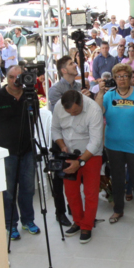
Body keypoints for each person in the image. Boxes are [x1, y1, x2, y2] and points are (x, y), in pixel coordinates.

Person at [0, 66, 42, 240]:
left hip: (27, 150)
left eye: (19, 77)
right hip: (6, 152)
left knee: (28, 188)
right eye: (11, 77)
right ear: (6, 78)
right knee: (8, 191)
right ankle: (10, 224)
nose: (15, 80)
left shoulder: (30, 95)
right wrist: (1, 135)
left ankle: (28, 221)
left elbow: (34, 119)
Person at [102, 63, 134, 226]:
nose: (122, 79)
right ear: (114, 78)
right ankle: (118, 209)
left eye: (125, 76)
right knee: (117, 179)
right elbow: (98, 116)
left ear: (131, 77)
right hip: (113, 144)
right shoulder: (108, 96)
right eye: (118, 76)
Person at [51, 89, 105, 244]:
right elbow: (55, 129)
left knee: (90, 192)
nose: (72, 114)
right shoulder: (58, 107)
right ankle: (78, 220)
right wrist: (62, 146)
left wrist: (80, 162)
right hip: (69, 155)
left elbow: (96, 141)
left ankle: (87, 225)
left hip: (91, 154)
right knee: (71, 192)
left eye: (75, 111)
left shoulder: (93, 109)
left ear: (82, 102)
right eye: (69, 112)